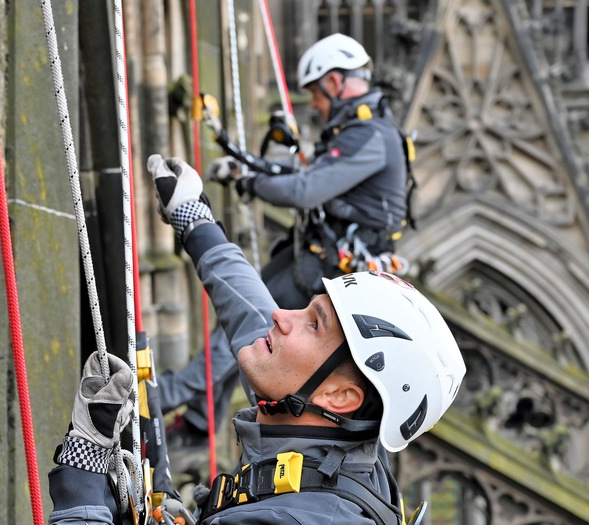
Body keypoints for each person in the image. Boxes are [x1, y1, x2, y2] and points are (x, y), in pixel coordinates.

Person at [47, 155, 463, 525]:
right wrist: (195, 221)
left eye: (312, 323)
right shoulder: (335, 453)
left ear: (340, 397)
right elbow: (253, 318)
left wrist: (82, 471)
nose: (281, 317)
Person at [159, 33, 413, 454]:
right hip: (320, 257)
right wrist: (249, 165)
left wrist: (250, 180)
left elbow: (305, 189)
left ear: (334, 82)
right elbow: (312, 166)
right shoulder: (361, 129)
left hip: (326, 266)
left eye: (315, 92)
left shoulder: (372, 134)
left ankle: (165, 396)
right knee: (244, 328)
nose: (312, 103)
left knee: (250, 327)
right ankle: (200, 421)